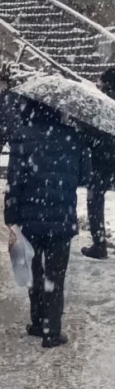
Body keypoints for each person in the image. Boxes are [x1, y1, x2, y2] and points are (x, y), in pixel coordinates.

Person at [6, 100, 90, 348]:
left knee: (34, 271)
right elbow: (84, 175)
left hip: (31, 218)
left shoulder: (22, 136)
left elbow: (14, 180)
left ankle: (37, 320)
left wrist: (11, 218)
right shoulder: (73, 136)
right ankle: (52, 330)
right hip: (62, 216)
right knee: (56, 274)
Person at [82, 67, 115, 260]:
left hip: (102, 159)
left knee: (95, 199)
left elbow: (92, 131)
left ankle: (99, 243)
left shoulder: (101, 101)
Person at [0, 68, 20, 186]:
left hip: (9, 128)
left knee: (14, 154)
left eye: (1, 82)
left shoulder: (12, 95)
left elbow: (13, 113)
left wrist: (13, 126)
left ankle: (13, 177)